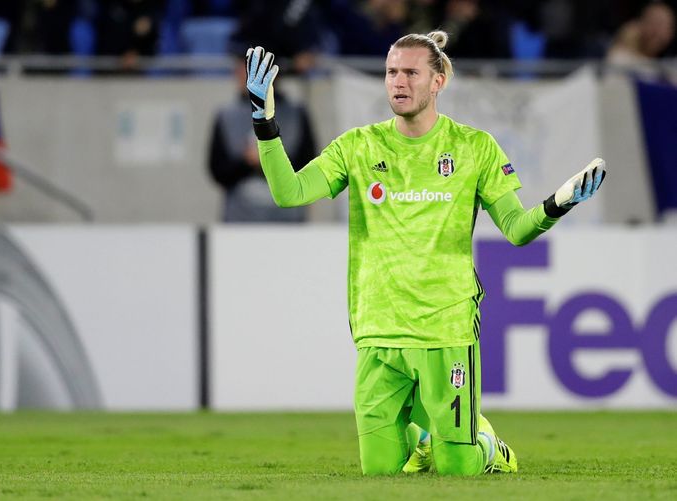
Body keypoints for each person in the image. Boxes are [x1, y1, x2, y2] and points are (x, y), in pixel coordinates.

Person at [243, 31, 606, 475]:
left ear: (437, 82)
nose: (398, 81)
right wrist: (265, 122)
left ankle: (488, 446)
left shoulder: (474, 147)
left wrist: (557, 204)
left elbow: (515, 229)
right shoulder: (358, 146)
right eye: (391, 72)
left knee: (459, 468)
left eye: (411, 72)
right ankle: (429, 437)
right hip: (379, 329)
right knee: (380, 472)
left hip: (445, 327)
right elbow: (289, 192)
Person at [208, 56, 315, 222]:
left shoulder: (296, 114)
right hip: (240, 219)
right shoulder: (226, 115)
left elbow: (309, 165)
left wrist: (272, 159)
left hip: (289, 219)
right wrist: (246, 162)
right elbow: (218, 170)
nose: (240, 75)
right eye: (241, 69)